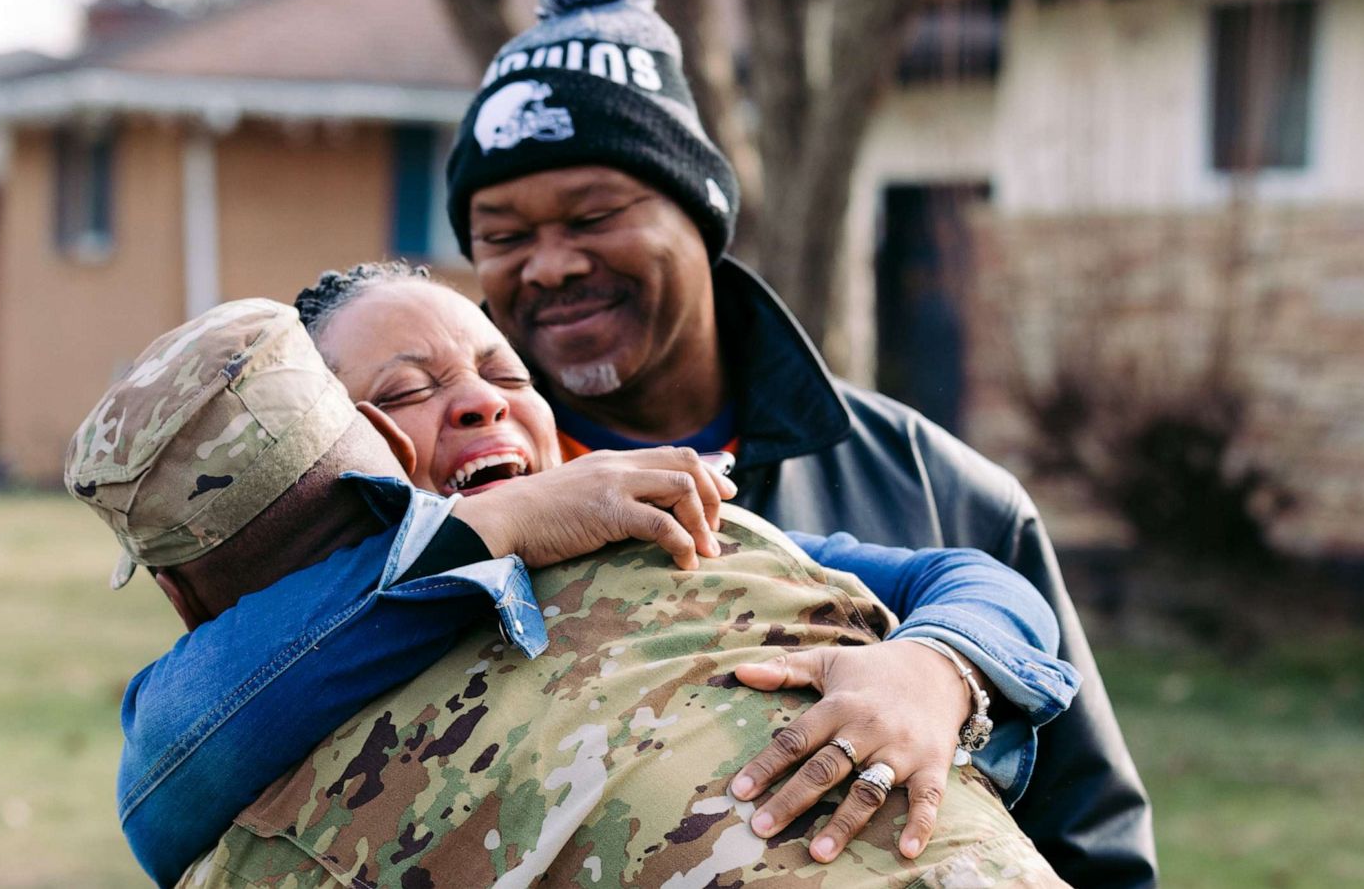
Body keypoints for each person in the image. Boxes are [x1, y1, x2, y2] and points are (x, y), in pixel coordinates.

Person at [439, 0, 1155, 884]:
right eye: (502, 236)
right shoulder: (455, 500)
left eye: (592, 216)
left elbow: (1091, 846)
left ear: (700, 213)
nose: (549, 265)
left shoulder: (941, 493)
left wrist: (945, 667)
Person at [83, 289, 1076, 885]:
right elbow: (172, 754)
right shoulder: (274, 669)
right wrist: (488, 532)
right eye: (401, 393)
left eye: (502, 371)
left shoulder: (680, 529)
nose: (477, 399)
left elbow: (971, 576)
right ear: (356, 455)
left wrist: (934, 665)